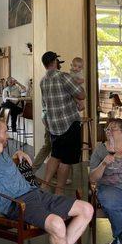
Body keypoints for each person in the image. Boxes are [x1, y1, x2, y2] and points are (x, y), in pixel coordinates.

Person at [0, 118, 93, 244]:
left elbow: (5, 162)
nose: (8, 135)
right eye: (5, 132)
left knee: (87, 209)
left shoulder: (2, 154)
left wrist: (18, 153)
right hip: (17, 204)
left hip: (35, 193)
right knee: (58, 225)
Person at [40, 51, 85, 194]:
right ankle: (59, 192)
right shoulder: (63, 77)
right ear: (54, 62)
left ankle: (45, 185)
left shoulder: (43, 81)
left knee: (55, 155)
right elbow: (81, 94)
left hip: (53, 125)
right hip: (69, 124)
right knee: (65, 161)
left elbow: (45, 104)